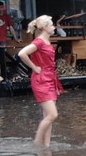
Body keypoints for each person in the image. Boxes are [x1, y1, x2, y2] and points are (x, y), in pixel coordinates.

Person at [18, 15, 63, 149]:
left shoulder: (46, 42)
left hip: (50, 78)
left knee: (47, 115)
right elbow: (22, 53)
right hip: (41, 79)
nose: (54, 27)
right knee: (52, 114)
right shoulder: (39, 42)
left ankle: (46, 146)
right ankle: (37, 142)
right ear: (44, 28)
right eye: (51, 25)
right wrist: (34, 67)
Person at [0, 1, 21, 77]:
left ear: (4, 7)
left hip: (2, 39)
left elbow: (11, 28)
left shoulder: (7, 17)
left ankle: (2, 73)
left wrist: (16, 38)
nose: (0, 9)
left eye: (1, 7)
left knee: (2, 56)